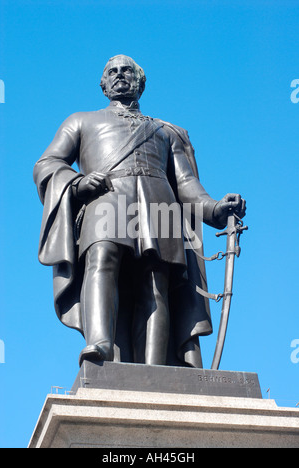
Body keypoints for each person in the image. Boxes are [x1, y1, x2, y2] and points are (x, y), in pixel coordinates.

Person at [33, 55, 246, 368]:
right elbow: (47, 163)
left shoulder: (167, 131)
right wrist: (77, 184)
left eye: (127, 70)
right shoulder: (80, 121)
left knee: (155, 280)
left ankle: (154, 366)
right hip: (106, 198)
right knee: (101, 258)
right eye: (112, 71)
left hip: (159, 203)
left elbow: (186, 183)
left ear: (140, 83)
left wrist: (215, 209)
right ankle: (100, 343)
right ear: (103, 85)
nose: (120, 75)